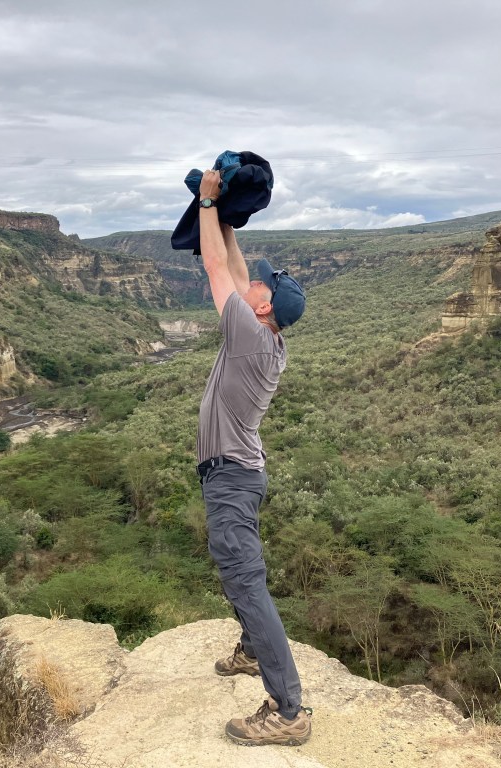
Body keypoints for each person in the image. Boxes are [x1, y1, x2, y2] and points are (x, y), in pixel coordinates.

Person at [194, 169, 310, 746]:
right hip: (243, 473)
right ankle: (248, 650)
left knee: (246, 583)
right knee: (239, 574)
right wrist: (231, 219)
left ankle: (289, 711)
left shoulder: (247, 334)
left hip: (232, 479)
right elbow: (236, 270)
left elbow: (218, 271)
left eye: (259, 290)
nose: (251, 285)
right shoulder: (266, 333)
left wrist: (208, 202)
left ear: (262, 310)